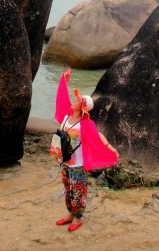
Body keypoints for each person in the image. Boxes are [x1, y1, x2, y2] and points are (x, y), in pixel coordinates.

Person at [51, 68, 118, 232]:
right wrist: (63, 80)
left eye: (77, 101)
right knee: (67, 188)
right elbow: (61, 99)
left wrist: (111, 149)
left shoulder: (85, 124)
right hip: (64, 160)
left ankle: (78, 217)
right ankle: (69, 213)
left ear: (82, 107)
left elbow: (98, 136)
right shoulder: (66, 116)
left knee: (78, 191)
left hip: (78, 164)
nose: (73, 101)